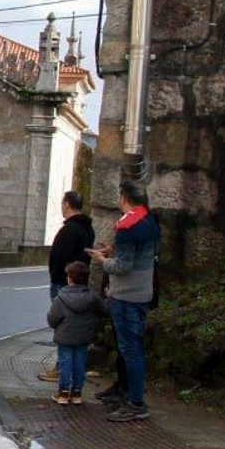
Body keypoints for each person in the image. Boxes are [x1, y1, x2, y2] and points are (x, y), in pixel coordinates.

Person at [87, 179, 160, 422]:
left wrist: (101, 260)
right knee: (130, 348)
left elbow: (123, 266)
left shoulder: (128, 226)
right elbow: (138, 256)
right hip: (140, 293)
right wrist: (114, 250)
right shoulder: (148, 220)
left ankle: (135, 402)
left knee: (130, 350)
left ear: (124, 198)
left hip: (127, 296)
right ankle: (126, 392)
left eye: (119, 196)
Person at [38, 190, 96, 382]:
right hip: (79, 283)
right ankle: (71, 370)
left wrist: (57, 275)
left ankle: (61, 368)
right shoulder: (88, 229)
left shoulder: (69, 229)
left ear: (67, 204)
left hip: (64, 283)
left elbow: (60, 257)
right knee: (77, 329)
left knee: (62, 328)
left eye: (62, 203)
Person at [47, 260, 108, 406]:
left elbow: (52, 318)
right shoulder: (93, 297)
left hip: (65, 336)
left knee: (65, 363)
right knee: (80, 363)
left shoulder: (60, 298)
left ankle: (63, 393)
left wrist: (55, 326)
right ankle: (77, 393)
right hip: (84, 336)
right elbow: (104, 312)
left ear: (69, 278)